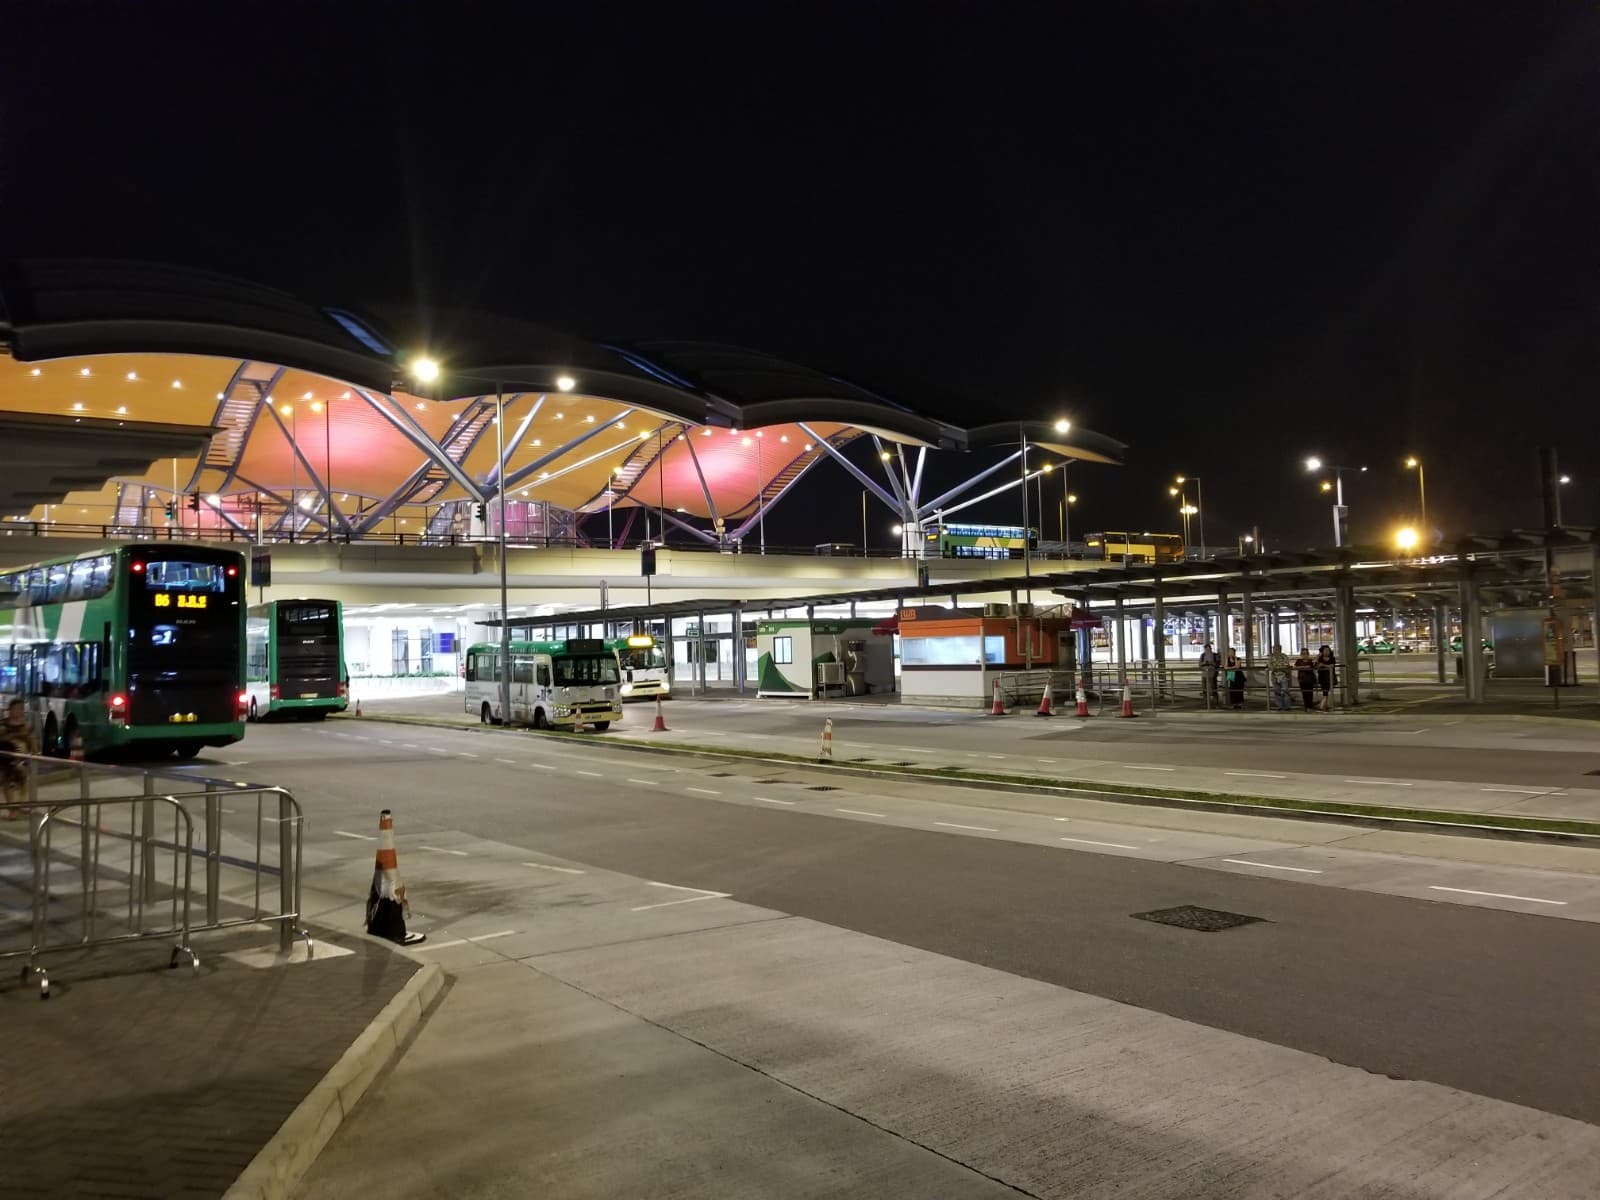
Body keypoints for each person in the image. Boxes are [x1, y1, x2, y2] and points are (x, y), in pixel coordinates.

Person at [2, 698, 37, 818]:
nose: (17, 712)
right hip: (7, 758)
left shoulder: (27, 726)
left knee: (22, 782)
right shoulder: (3, 725)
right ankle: (12, 808)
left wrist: (36, 753)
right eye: (15, 709)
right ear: (9, 710)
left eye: (20, 709)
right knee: (7, 782)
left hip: (23, 757)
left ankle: (18, 806)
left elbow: (32, 741)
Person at [1267, 643, 1292, 711]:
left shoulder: (1284, 656)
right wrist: (1277, 667)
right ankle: (1279, 706)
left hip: (1283, 676)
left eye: (1276, 649)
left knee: (1285, 691)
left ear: (1280, 650)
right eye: (1274, 649)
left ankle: (1287, 706)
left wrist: (1277, 667)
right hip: (1274, 676)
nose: (1275, 651)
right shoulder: (1271, 657)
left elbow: (1286, 665)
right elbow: (1270, 666)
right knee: (1276, 691)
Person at [1316, 644, 1337, 710]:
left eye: (1328, 650)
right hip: (1322, 677)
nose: (1327, 651)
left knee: (1326, 691)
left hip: (1330, 677)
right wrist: (1318, 656)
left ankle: (1322, 705)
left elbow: (1331, 666)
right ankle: (1325, 705)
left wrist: (1323, 665)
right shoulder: (1320, 658)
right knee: (1325, 691)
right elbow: (1315, 664)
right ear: (1322, 651)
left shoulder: (1332, 658)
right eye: (1325, 650)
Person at [1198, 642, 1219, 706]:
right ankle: (1205, 700)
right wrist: (1204, 663)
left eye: (1208, 649)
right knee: (1204, 687)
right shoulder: (1203, 655)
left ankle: (1215, 700)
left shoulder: (1215, 655)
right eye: (1206, 649)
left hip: (1212, 673)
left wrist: (1212, 663)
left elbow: (1218, 664)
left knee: (1213, 686)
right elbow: (1199, 664)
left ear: (1211, 649)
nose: (1207, 650)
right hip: (1204, 672)